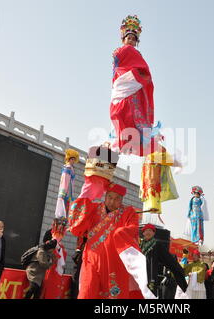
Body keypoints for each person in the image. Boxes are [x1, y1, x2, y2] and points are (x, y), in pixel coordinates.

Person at [68, 181, 155, 299]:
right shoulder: (94, 209)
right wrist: (87, 192)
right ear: (105, 196)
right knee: (87, 292)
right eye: (110, 197)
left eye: (117, 198)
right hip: (92, 258)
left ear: (122, 199)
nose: (112, 201)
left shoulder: (128, 213)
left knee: (114, 294)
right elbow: (78, 224)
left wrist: (121, 233)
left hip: (115, 262)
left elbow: (133, 229)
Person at [110, 15, 160, 156]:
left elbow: (143, 69)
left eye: (133, 38)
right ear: (123, 39)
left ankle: (130, 140)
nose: (131, 40)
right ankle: (119, 140)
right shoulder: (119, 52)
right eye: (128, 38)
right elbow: (116, 70)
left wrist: (135, 76)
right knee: (118, 112)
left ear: (136, 41)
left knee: (130, 113)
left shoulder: (136, 54)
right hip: (121, 84)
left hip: (133, 86)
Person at [139, 224, 187, 298]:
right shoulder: (139, 245)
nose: (148, 232)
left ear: (154, 233)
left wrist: (179, 270)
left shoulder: (157, 244)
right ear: (143, 233)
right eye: (146, 230)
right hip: (139, 275)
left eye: (150, 230)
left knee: (149, 295)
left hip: (150, 276)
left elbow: (168, 259)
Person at [54, 149, 80, 218]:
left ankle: (64, 219)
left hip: (69, 190)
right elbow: (65, 180)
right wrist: (63, 192)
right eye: (72, 159)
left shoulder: (71, 168)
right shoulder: (67, 168)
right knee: (63, 205)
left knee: (67, 206)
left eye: (74, 160)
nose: (73, 161)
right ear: (69, 159)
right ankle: (61, 218)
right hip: (66, 190)